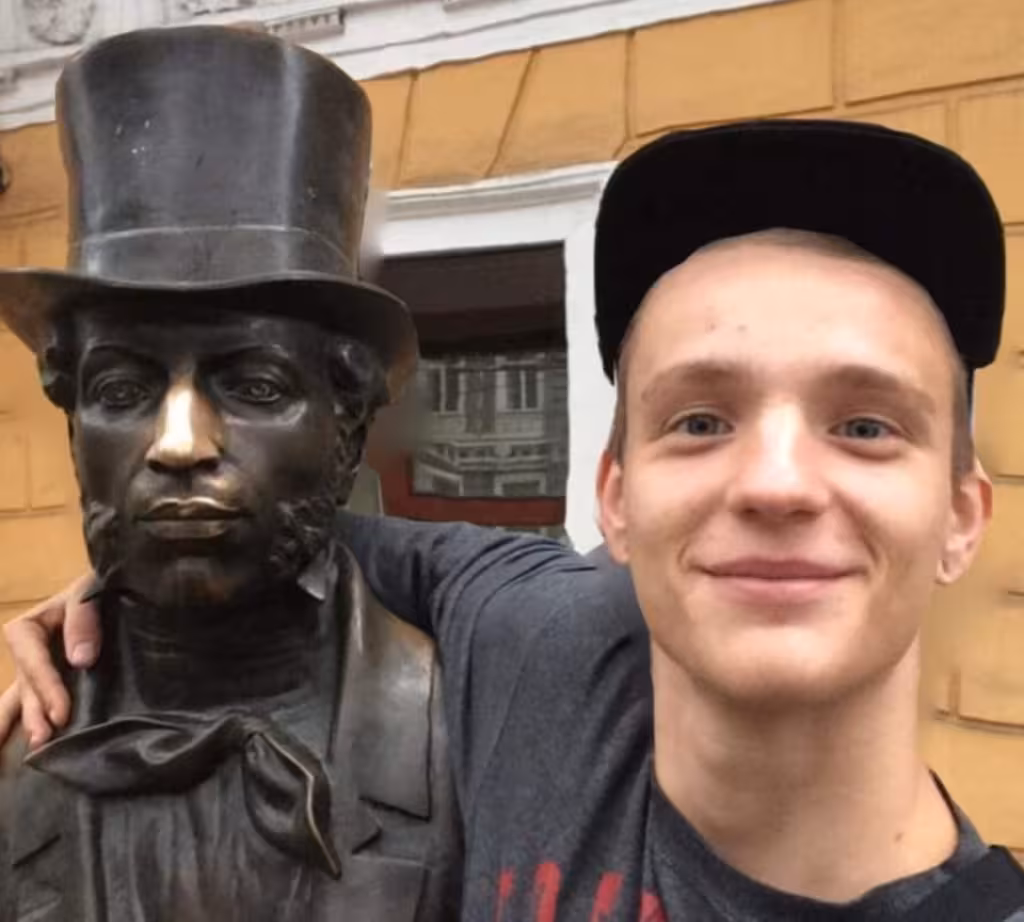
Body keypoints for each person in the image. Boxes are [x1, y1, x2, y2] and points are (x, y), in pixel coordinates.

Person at [6, 120, 1024, 921]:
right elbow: (300, 527)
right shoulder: (537, 643)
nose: (776, 482)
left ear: (960, 516)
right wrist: (136, 573)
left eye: (864, 425)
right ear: (616, 498)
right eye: (700, 420)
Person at [0, 26, 461, 922]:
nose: (178, 444)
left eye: (255, 386)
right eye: (122, 390)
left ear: (347, 425)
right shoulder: (20, 752)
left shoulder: (464, 730)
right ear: (72, 420)